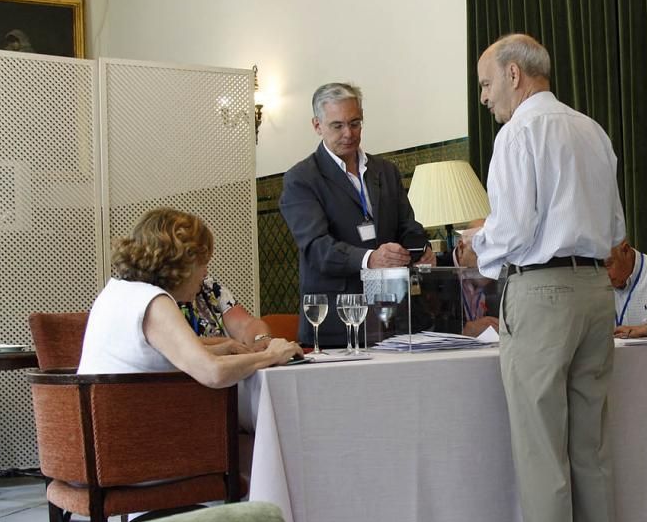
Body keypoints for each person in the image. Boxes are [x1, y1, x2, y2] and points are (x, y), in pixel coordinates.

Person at [459, 33, 626, 522]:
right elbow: (615, 227)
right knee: (589, 445)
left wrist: (473, 246)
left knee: (540, 448)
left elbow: (511, 230)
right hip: (595, 290)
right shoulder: (592, 130)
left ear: (513, 74)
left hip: (541, 292)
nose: (484, 98)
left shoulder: (519, 133)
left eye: (485, 84)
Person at [279, 82, 434, 347]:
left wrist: (420, 248)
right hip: (336, 323)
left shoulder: (385, 171)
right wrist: (370, 259)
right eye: (337, 125)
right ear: (317, 126)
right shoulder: (301, 179)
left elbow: (407, 225)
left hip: (393, 316)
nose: (348, 133)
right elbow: (317, 248)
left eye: (355, 123)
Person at [78, 208, 301, 387]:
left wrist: (220, 347)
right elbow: (213, 373)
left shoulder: (118, 293)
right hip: (139, 432)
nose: (205, 273)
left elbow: (155, 355)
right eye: (203, 263)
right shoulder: (154, 302)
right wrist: (272, 355)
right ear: (181, 262)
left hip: (107, 426)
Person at [180, 276, 276, 352]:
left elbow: (246, 324)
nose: (206, 271)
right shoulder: (165, 298)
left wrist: (261, 338)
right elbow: (177, 344)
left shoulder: (209, 287)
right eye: (200, 264)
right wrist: (226, 345)